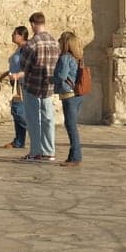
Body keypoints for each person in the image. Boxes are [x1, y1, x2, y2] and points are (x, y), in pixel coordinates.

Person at [19, 11, 59, 161]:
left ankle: (36, 151)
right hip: (48, 86)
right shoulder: (55, 42)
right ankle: (49, 151)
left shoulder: (32, 43)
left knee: (34, 119)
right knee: (48, 118)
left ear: (33, 24)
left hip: (33, 85)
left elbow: (24, 65)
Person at [54, 31, 85, 167]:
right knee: (71, 125)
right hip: (78, 95)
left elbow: (62, 76)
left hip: (69, 94)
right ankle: (72, 155)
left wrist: (48, 79)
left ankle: (76, 157)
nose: (59, 42)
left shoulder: (65, 58)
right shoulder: (77, 57)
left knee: (71, 126)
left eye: (61, 40)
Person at [0, 25, 30, 150]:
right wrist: (7, 73)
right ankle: (19, 141)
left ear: (21, 36)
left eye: (15, 34)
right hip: (15, 83)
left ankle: (36, 131)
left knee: (18, 111)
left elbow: (29, 67)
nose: (12, 35)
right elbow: (16, 65)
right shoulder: (19, 49)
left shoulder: (26, 49)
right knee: (16, 112)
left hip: (22, 84)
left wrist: (17, 75)